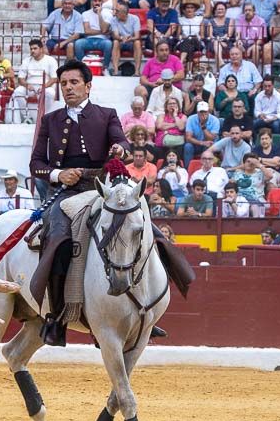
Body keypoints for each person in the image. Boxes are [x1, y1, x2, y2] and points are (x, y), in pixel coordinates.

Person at [28, 59, 193, 346]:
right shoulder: (50, 121)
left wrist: (120, 149)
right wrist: (59, 173)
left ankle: (149, 309)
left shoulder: (106, 115)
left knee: (146, 231)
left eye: (74, 82)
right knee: (56, 238)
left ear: (88, 86)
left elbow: (123, 145)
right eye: (64, 83)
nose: (68, 88)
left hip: (104, 188)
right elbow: (36, 164)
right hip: (67, 193)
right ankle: (56, 316)